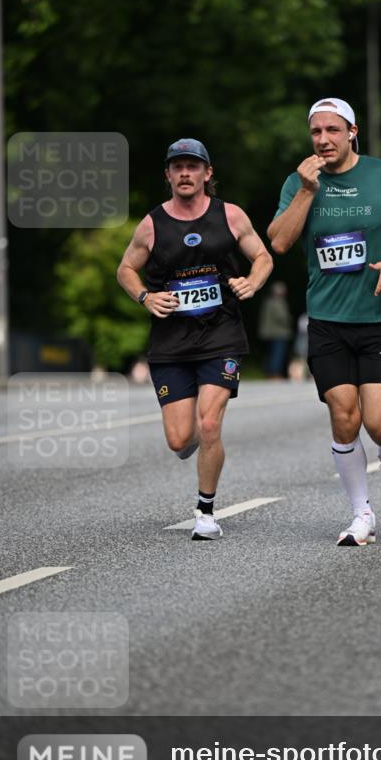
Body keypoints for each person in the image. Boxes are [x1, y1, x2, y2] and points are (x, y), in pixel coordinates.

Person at [267, 97, 381, 545]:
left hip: (379, 316)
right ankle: (362, 514)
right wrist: (305, 190)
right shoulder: (299, 182)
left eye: (332, 131)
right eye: (316, 132)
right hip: (326, 320)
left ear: (352, 132)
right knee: (344, 416)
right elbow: (280, 243)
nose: (323, 140)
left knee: (378, 423)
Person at [117, 138, 273, 540]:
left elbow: (264, 257)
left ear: (208, 173)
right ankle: (192, 444)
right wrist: (146, 297)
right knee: (178, 439)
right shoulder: (152, 224)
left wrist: (252, 283)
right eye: (177, 167)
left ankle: (206, 512)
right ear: (167, 175)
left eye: (193, 166)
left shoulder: (231, 216)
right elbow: (125, 270)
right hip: (171, 342)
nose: (185, 173)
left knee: (209, 423)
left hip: (221, 335)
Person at [258, 281, 294, 379]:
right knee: (278, 354)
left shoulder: (268, 301)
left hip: (268, 333)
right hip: (279, 332)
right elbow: (282, 317)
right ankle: (275, 374)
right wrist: (290, 320)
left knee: (271, 354)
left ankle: (269, 373)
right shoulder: (278, 302)